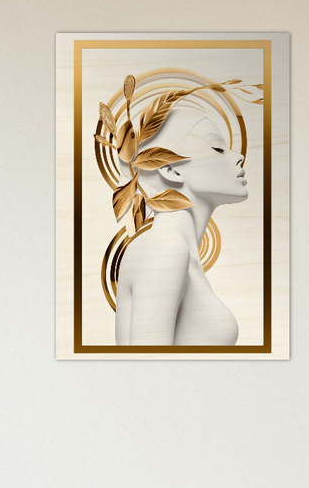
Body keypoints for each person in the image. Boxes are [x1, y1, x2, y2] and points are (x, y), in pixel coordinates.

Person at [95, 72, 257, 347]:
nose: (238, 156)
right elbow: (148, 374)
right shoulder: (166, 247)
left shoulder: (166, 246)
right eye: (217, 148)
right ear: (169, 169)